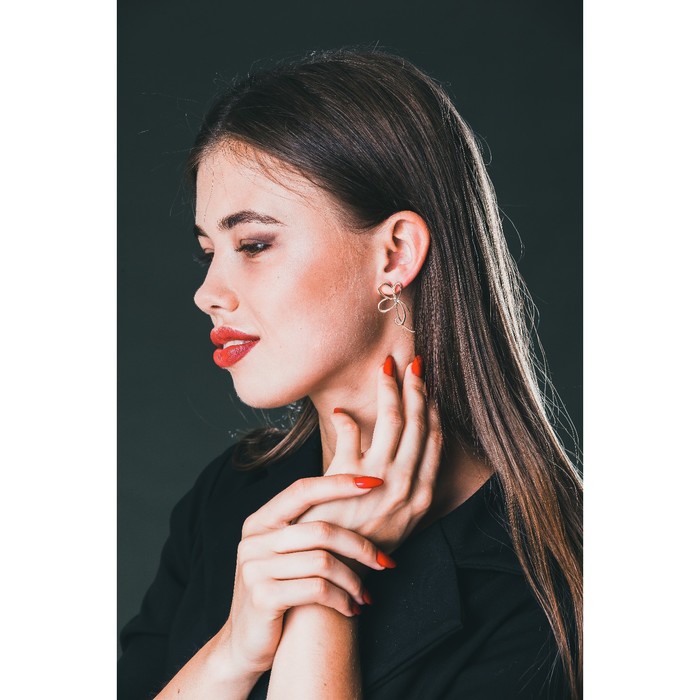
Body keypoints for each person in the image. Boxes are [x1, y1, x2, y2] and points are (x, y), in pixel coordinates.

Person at [118, 49, 583, 699]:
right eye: (207, 252)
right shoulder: (229, 495)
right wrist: (231, 653)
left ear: (394, 254)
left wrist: (322, 593)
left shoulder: (554, 588)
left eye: (253, 244)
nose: (208, 293)